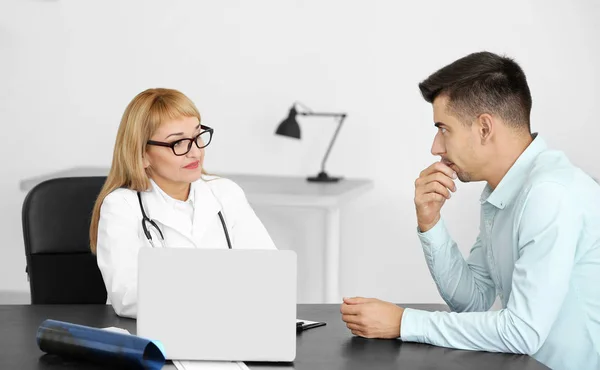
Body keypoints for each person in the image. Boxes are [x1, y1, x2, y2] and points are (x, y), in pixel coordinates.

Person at [340, 51, 600, 370]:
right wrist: (430, 221)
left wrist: (403, 322)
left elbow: (523, 332)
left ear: (484, 128)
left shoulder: (549, 194)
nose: (436, 147)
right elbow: (474, 300)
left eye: (443, 128)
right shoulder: (504, 189)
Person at [89, 88, 276, 318]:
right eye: (178, 143)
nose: (195, 152)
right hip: (154, 340)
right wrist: (225, 289)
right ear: (141, 154)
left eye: (197, 137)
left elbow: (271, 273)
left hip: (231, 328)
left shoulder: (226, 192)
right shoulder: (121, 206)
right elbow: (127, 296)